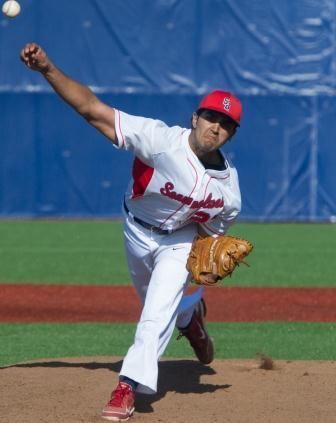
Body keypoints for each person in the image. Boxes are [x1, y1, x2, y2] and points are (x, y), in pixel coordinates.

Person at [20, 42, 242, 422]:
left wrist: (207, 256)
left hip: (178, 242)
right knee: (155, 305)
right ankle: (190, 318)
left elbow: (213, 235)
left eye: (225, 125)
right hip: (136, 232)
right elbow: (91, 109)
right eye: (210, 117)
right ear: (195, 117)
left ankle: (126, 388)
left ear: (231, 135)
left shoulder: (229, 193)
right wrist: (47, 69)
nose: (215, 127)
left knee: (154, 315)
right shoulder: (158, 140)